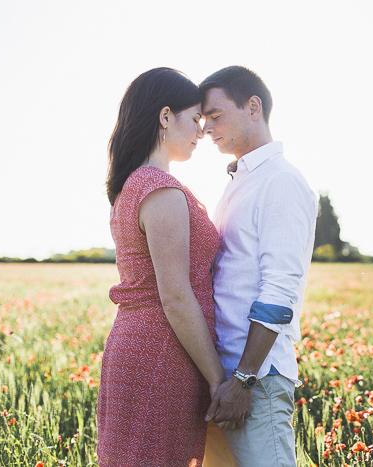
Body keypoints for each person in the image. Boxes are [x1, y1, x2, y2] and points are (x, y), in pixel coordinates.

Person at [97, 67, 231, 466]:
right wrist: (216, 378)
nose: (201, 132)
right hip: (162, 352)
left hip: (141, 345)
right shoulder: (160, 189)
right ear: (165, 116)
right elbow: (174, 296)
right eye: (195, 119)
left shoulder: (133, 186)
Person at [200, 66, 317, 467]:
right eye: (202, 120)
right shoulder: (241, 179)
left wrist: (245, 379)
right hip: (223, 378)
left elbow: (280, 290)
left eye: (215, 116)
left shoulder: (279, 181)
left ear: (253, 107)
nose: (206, 128)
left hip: (254, 382)